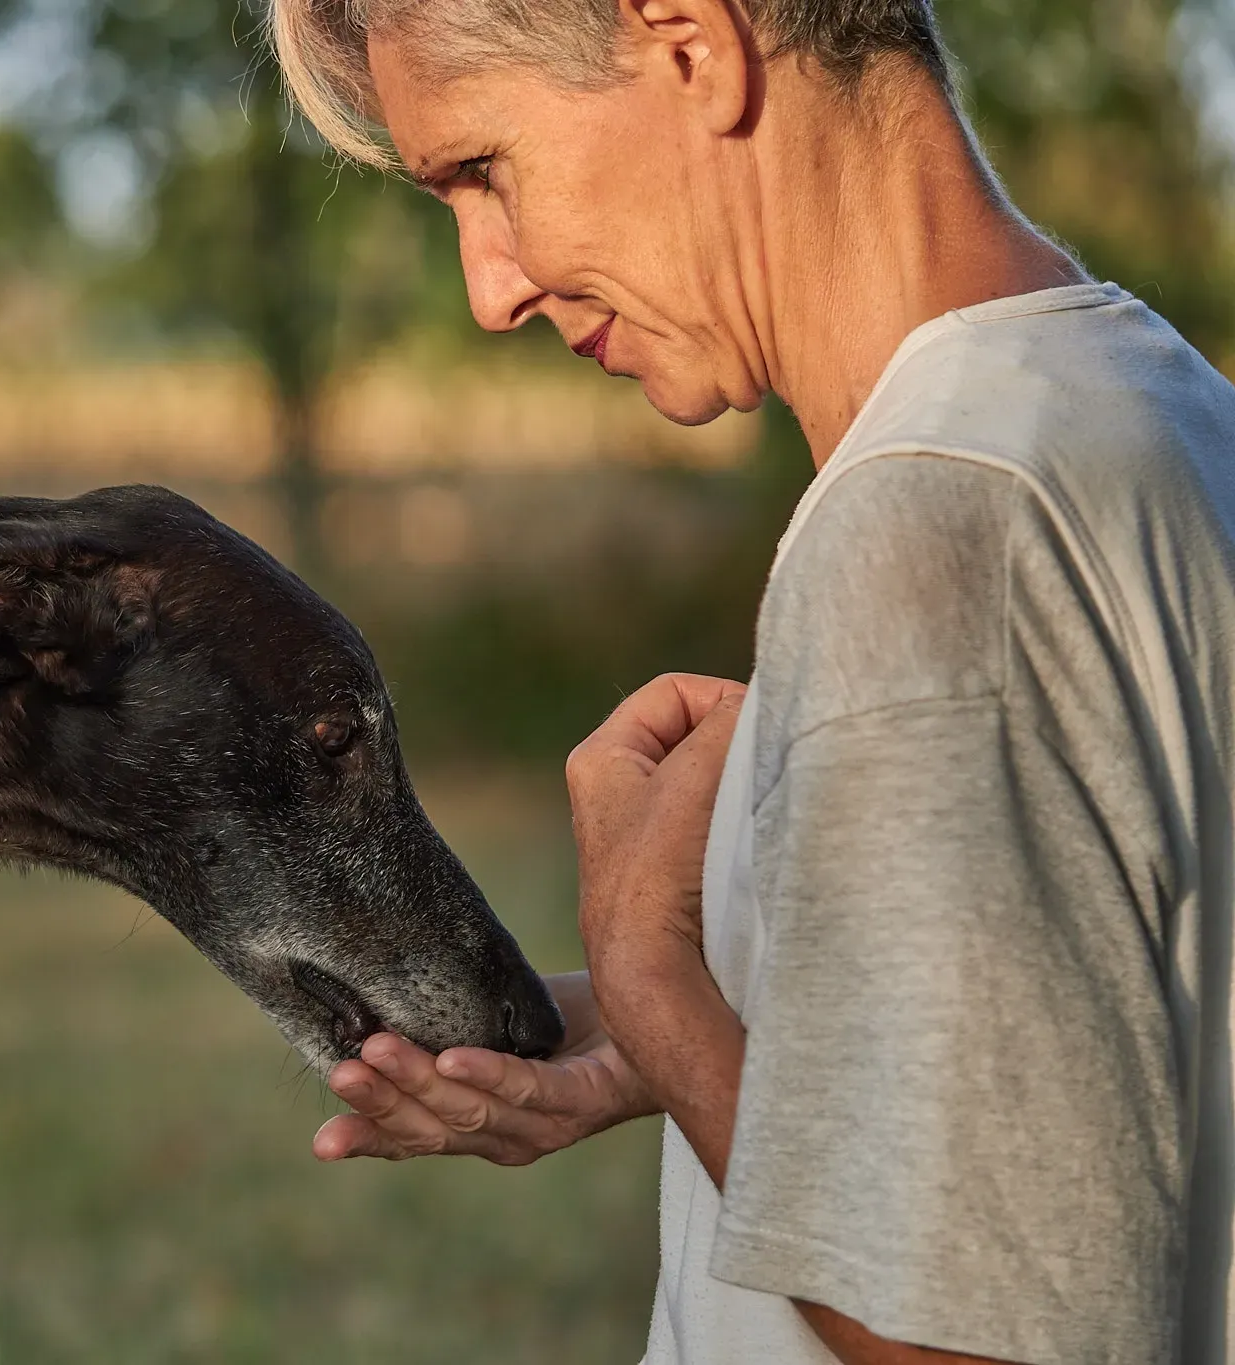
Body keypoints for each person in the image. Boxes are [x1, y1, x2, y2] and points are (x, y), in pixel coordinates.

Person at [266, 0, 1235, 1361]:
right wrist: (622, 1033)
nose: (491, 289)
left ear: (690, 43)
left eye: (483, 171)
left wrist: (652, 977)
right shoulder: (1151, 410)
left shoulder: (932, 530)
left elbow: (969, 1344)